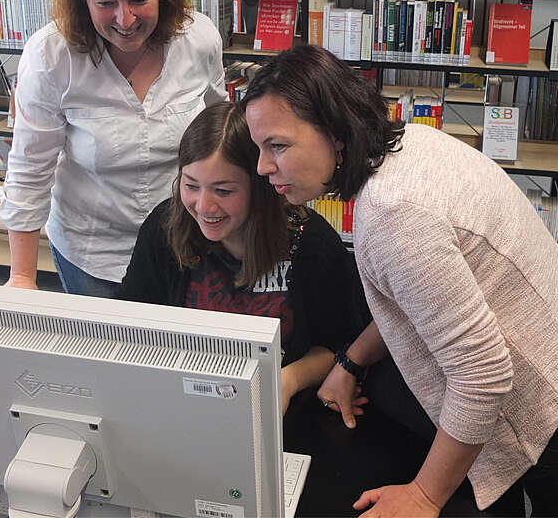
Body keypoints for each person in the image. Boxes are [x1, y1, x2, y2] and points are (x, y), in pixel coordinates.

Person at [241, 45, 558, 517]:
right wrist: (351, 360)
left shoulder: (394, 215)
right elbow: (421, 297)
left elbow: (482, 376)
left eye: (277, 145)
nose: (262, 166)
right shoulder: (413, 141)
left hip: (548, 406)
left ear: (335, 134)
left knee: (384, 403)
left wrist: (423, 495)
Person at [0, 0, 227, 297]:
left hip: (185, 241)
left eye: (139, 0)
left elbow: (221, 133)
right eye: (106, 3)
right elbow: (29, 169)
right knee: (106, 351)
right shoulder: (51, 55)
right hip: (92, 251)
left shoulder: (198, 38)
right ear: (82, 0)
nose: (125, 19)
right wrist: (22, 277)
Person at [118, 101, 372, 415]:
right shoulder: (164, 229)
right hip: (183, 404)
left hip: (283, 414)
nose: (204, 206)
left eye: (223, 191)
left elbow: (341, 343)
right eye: (191, 186)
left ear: (260, 187)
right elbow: (130, 326)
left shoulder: (310, 242)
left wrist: (287, 380)